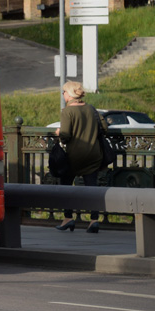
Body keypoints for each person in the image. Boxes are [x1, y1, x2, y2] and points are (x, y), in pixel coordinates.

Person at [54, 80, 105, 233]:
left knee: (66, 186)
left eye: (63, 92)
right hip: (94, 155)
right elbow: (105, 128)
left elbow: (65, 136)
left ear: (69, 95)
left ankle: (68, 218)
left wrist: (58, 133)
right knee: (92, 188)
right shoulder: (91, 109)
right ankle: (94, 220)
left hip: (74, 157)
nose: (63, 94)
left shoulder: (67, 111)